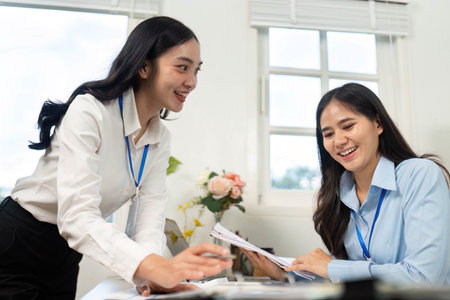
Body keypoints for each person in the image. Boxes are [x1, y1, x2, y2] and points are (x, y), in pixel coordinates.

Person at [0, 16, 232, 299]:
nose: (192, 82)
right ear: (144, 67)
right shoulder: (90, 112)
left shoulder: (160, 139)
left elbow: (150, 215)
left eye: (196, 70)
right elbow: (76, 216)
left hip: (65, 253)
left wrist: (151, 276)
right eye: (182, 67)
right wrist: (152, 265)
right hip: (18, 241)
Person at [243, 83, 450, 285]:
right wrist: (286, 274)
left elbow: (425, 277)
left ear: (378, 124)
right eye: (328, 134)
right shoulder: (341, 191)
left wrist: (333, 267)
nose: (339, 141)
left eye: (348, 126)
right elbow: (342, 276)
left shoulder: (419, 174)